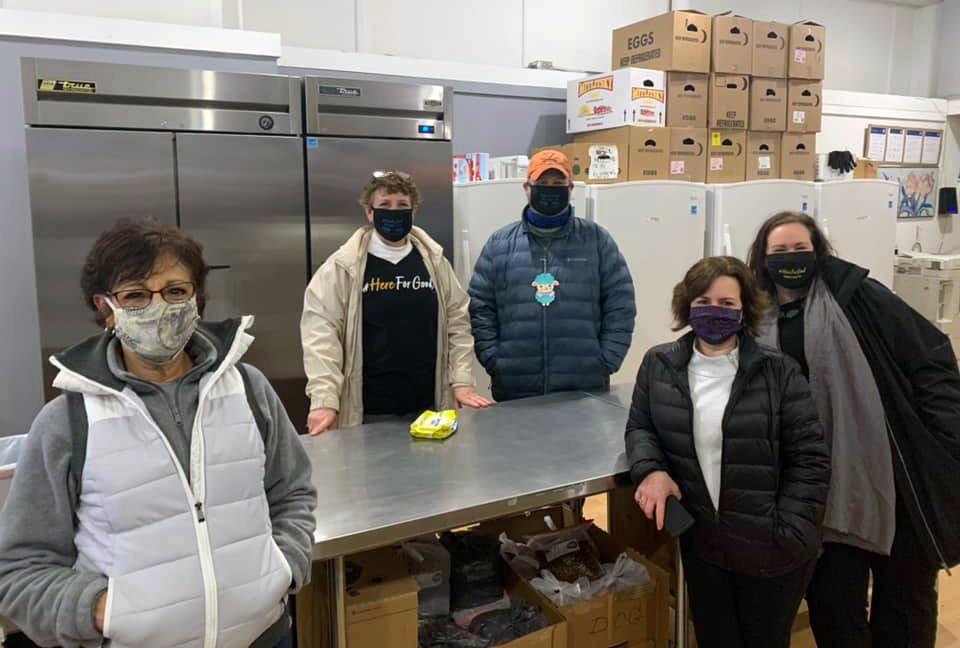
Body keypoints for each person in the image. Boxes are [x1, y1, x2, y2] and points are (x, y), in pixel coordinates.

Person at [0, 221, 317, 648]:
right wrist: (99, 611)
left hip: (265, 637)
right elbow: (21, 567)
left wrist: (283, 567)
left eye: (175, 291)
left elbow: (293, 493)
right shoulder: (67, 422)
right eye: (135, 295)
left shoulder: (249, 389)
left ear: (197, 300)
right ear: (107, 308)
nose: (158, 307)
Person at [747, 211, 960, 648]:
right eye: (780, 252)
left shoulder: (858, 297)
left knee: (904, 602)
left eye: (800, 250)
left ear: (818, 252)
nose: (791, 259)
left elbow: (932, 357)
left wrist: (946, 434)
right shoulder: (755, 317)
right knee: (834, 606)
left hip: (890, 470)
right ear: (762, 259)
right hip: (817, 486)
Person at [626, 256, 830, 648]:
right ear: (687, 306)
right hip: (705, 546)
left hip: (772, 549)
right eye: (702, 303)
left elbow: (811, 459)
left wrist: (787, 530)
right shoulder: (659, 364)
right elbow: (640, 427)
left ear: (745, 309)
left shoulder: (779, 372)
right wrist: (651, 470)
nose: (713, 312)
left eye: (726, 304)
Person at [302, 170, 489, 435]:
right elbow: (320, 336)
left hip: (429, 408)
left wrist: (462, 382)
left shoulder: (434, 263)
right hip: (368, 413)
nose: (394, 212)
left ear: (413, 212)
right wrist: (324, 401)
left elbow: (458, 324)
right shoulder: (343, 267)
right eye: (385, 205)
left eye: (402, 205)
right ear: (369, 211)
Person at [468, 149, 636, 401]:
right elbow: (480, 307)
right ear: (527, 187)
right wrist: (495, 359)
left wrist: (606, 360)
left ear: (570, 188)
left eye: (558, 184)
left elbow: (620, 304)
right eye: (543, 183)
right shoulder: (499, 244)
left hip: (584, 387)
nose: (551, 189)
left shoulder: (597, 240)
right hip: (515, 386)